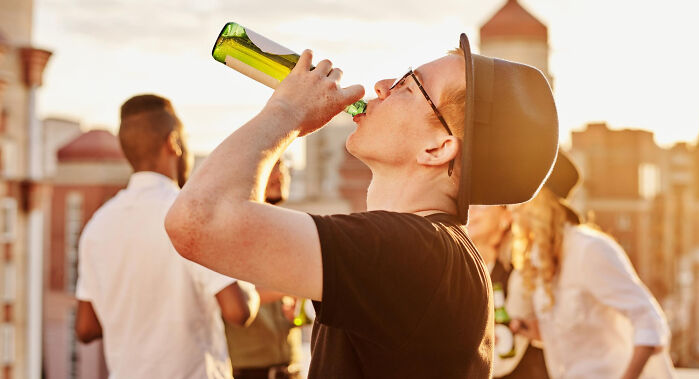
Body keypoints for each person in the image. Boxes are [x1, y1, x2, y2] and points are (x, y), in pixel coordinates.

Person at [165, 33, 559, 377]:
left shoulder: (416, 252)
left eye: (409, 86)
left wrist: (286, 112)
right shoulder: (430, 252)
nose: (382, 85)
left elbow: (198, 218)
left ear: (437, 148)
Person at [75, 94, 259, 379]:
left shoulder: (97, 226)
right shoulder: (193, 214)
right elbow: (239, 311)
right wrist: (250, 284)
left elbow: (86, 328)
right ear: (173, 143)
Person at [508, 152, 675, 379]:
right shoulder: (540, 258)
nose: (511, 211)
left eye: (519, 204)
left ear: (540, 205)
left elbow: (648, 318)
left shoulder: (589, 249)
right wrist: (529, 330)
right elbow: (571, 337)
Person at [225, 159, 303, 379]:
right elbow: (230, 297)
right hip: (249, 373)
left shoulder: (289, 233)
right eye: (272, 165)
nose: (280, 174)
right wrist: (291, 287)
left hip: (292, 370)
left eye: (284, 165)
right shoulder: (230, 235)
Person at [468, 205, 550, 378]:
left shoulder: (521, 274)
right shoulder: (462, 272)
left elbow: (503, 359)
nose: (471, 209)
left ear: (507, 217)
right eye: (468, 203)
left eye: (482, 204)